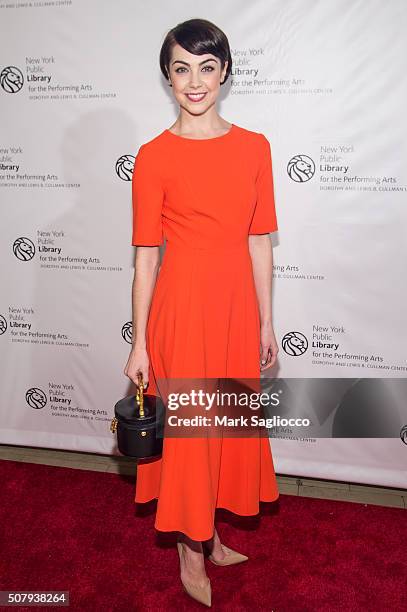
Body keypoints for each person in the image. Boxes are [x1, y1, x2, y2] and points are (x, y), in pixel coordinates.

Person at [124, 18, 280, 607]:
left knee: (223, 423)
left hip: (237, 309)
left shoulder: (255, 148)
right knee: (191, 432)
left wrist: (266, 321)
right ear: (168, 78)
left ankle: (210, 532)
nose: (194, 81)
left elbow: (260, 242)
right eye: (181, 68)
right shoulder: (153, 157)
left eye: (206, 67)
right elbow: (144, 258)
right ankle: (192, 554)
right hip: (182, 309)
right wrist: (139, 342)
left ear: (224, 73)